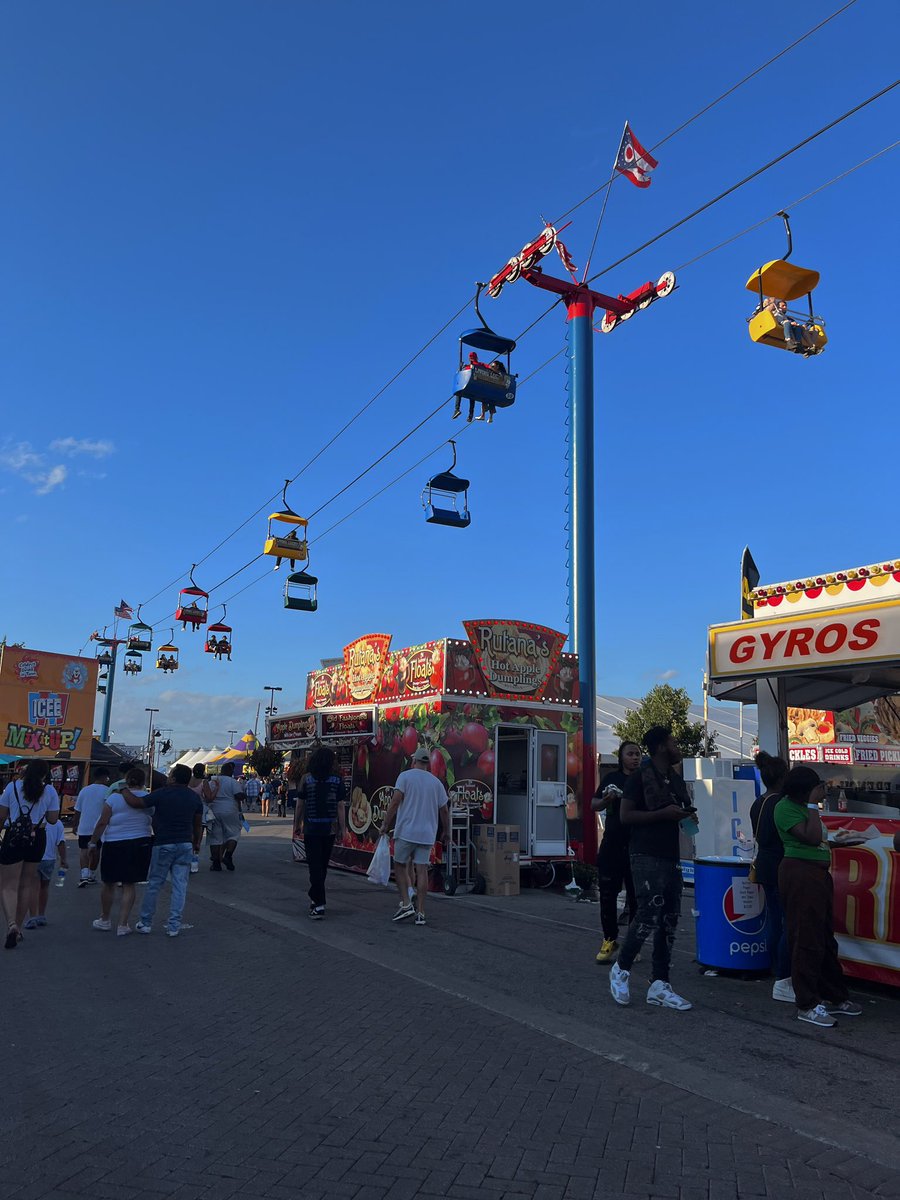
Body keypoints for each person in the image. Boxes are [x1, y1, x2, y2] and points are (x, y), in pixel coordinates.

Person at [609, 726, 696, 1011]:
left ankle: (660, 983)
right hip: (645, 855)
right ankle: (621, 970)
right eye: (672, 741)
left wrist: (685, 817)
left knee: (670, 918)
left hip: (671, 856)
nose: (676, 745)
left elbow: (680, 809)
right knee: (647, 913)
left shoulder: (675, 779)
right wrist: (663, 814)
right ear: (660, 747)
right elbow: (625, 816)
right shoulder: (637, 778)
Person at [775, 766, 862, 1027]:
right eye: (819, 785)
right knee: (805, 937)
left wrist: (841, 841)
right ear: (807, 789)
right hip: (800, 874)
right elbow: (810, 838)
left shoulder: (805, 808)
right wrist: (813, 806)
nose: (824, 789)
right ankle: (807, 1003)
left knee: (824, 937)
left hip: (817, 874)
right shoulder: (786, 808)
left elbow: (819, 839)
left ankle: (833, 994)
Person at [120, 763, 203, 937]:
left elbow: (137, 803)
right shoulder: (194, 797)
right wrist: (196, 843)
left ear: (173, 778)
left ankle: (146, 922)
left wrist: (124, 790)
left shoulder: (161, 794)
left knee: (155, 883)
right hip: (185, 844)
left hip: (163, 843)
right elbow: (197, 824)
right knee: (180, 886)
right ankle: (174, 925)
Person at [381, 746, 450, 926]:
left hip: (406, 831)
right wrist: (447, 831)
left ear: (414, 761)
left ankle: (406, 903)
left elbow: (395, 802)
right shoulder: (436, 783)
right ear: (428, 763)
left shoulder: (405, 777)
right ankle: (421, 912)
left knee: (400, 864)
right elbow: (444, 810)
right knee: (422, 870)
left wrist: (385, 824)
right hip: (427, 834)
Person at [0, 761, 61, 949]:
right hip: (37, 837)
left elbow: (1, 816)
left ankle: (10, 924)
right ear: (45, 774)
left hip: (14, 836)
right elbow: (52, 820)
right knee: (26, 884)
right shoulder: (49, 791)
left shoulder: (12, 787)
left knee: (8, 885)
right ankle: (18, 928)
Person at [749, 751, 793, 1004]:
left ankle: (775, 966)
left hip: (764, 864)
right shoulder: (781, 804)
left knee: (774, 918)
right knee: (786, 920)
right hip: (779, 863)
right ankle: (782, 971)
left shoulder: (758, 802)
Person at [88, 767, 153, 936]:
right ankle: (123, 924)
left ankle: (105, 919)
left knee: (109, 883)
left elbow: (102, 822)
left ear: (126, 780)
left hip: (114, 843)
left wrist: (93, 842)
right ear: (143, 782)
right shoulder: (148, 798)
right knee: (129, 884)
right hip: (140, 842)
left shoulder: (114, 799)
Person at [593, 742, 640, 964]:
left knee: (636, 897)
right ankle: (609, 939)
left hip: (638, 846)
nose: (635, 758)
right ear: (621, 758)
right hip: (612, 844)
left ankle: (633, 944)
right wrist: (605, 800)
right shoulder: (612, 778)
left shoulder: (643, 779)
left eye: (638, 754)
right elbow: (594, 805)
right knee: (608, 894)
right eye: (630, 754)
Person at [293, 748, 346, 919]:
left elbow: (300, 805)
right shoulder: (337, 780)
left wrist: (297, 824)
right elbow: (340, 806)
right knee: (322, 866)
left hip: (311, 828)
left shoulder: (306, 779)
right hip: (329, 829)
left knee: (314, 866)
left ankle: (318, 902)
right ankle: (317, 899)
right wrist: (342, 829)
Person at [24, 818, 68, 929]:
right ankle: (41, 915)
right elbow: (61, 843)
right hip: (49, 859)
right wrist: (63, 859)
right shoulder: (57, 823)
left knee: (33, 888)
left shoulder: (32, 820)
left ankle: (32, 917)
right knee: (44, 886)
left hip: (33, 858)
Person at [203, 762, 245, 871]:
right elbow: (238, 795)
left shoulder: (213, 781)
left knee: (215, 837)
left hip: (214, 810)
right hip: (230, 810)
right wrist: (244, 795)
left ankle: (216, 863)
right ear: (231, 772)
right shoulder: (233, 782)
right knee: (233, 834)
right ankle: (228, 855)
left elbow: (207, 795)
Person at [74, 766, 111, 887]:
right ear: (105, 777)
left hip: (84, 826)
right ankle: (91, 874)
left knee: (84, 851)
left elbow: (77, 810)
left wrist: (75, 825)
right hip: (99, 828)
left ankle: (83, 874)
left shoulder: (84, 790)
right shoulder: (108, 790)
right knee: (95, 851)